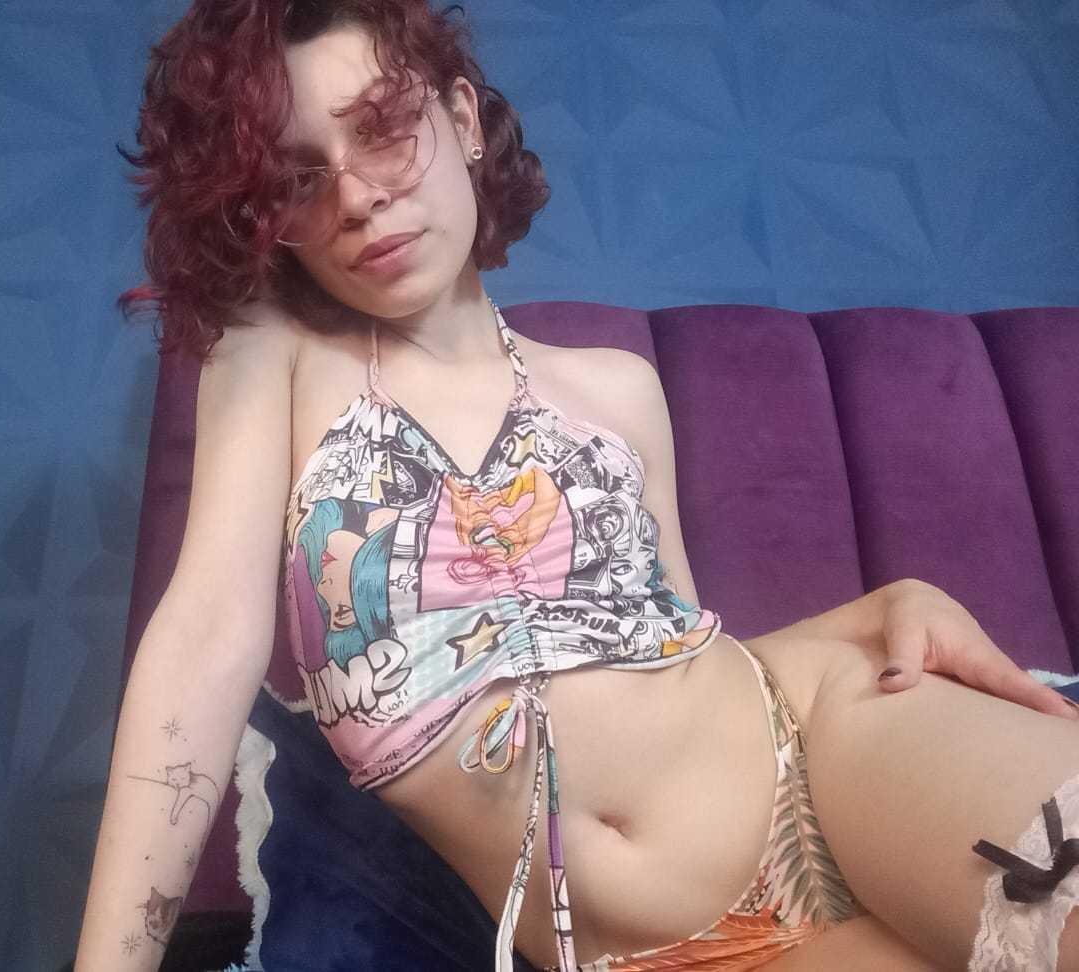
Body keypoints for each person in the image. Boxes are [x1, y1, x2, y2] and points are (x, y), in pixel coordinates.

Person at [76, 2, 1079, 970]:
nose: (356, 197)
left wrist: (875, 612)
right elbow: (203, 642)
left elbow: (675, 647)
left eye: (381, 128)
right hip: (670, 953)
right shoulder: (273, 353)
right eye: (300, 176)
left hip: (835, 739)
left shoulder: (618, 390)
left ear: (462, 118)